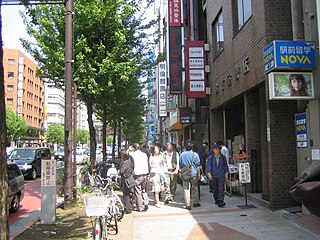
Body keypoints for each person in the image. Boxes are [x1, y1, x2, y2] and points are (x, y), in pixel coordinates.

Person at [179, 140, 201, 210]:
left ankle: (187, 204)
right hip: (194, 173)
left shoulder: (182, 154)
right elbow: (198, 165)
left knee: (186, 189)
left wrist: (180, 173)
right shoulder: (195, 154)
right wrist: (199, 174)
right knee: (195, 188)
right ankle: (195, 202)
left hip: (185, 173)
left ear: (185, 147)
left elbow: (180, 164)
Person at [129, 143, 149, 212]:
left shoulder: (132, 155)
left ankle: (140, 207)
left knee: (138, 190)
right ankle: (146, 202)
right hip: (145, 173)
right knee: (144, 189)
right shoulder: (144, 154)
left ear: (134, 148)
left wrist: (129, 150)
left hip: (137, 174)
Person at [119, 148, 135, 214]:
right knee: (128, 194)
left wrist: (119, 172)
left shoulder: (125, 163)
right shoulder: (129, 162)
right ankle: (129, 207)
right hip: (130, 179)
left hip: (126, 180)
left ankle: (128, 209)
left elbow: (121, 171)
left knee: (126, 195)